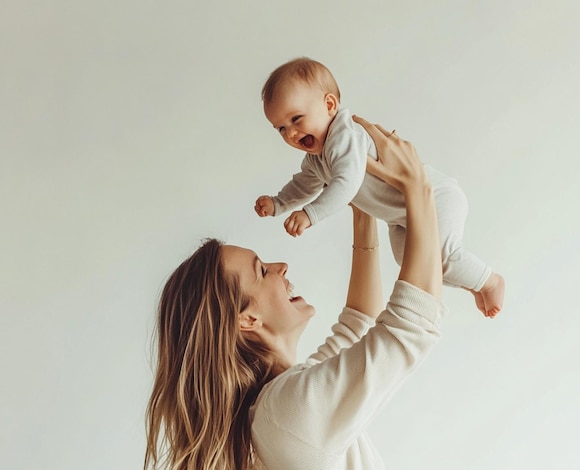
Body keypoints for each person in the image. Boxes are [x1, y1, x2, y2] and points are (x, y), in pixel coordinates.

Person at [144, 116, 446, 470]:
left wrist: (362, 208)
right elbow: (411, 327)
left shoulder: (277, 407)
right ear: (247, 319)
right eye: (261, 270)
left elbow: (358, 326)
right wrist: (418, 189)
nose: (280, 266)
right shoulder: (286, 414)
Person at [254, 57, 504, 317]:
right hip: (400, 217)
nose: (291, 133)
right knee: (412, 263)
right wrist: (279, 203)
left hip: (436, 197)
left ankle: (490, 281)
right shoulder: (317, 158)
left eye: (296, 119)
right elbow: (303, 184)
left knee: (440, 256)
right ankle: (473, 283)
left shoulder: (345, 137)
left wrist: (310, 214)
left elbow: (346, 183)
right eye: (281, 128)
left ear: (329, 105)